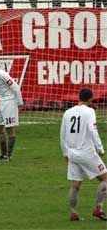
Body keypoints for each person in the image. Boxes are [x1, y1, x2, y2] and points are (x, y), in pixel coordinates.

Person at [60, 88, 107, 221]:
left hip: (72, 153)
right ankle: (99, 209)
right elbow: (93, 130)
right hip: (86, 152)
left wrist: (65, 152)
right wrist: (100, 148)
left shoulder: (67, 112)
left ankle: (73, 214)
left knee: (75, 184)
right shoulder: (90, 111)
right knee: (105, 178)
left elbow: (62, 134)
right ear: (90, 99)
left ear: (79, 98)